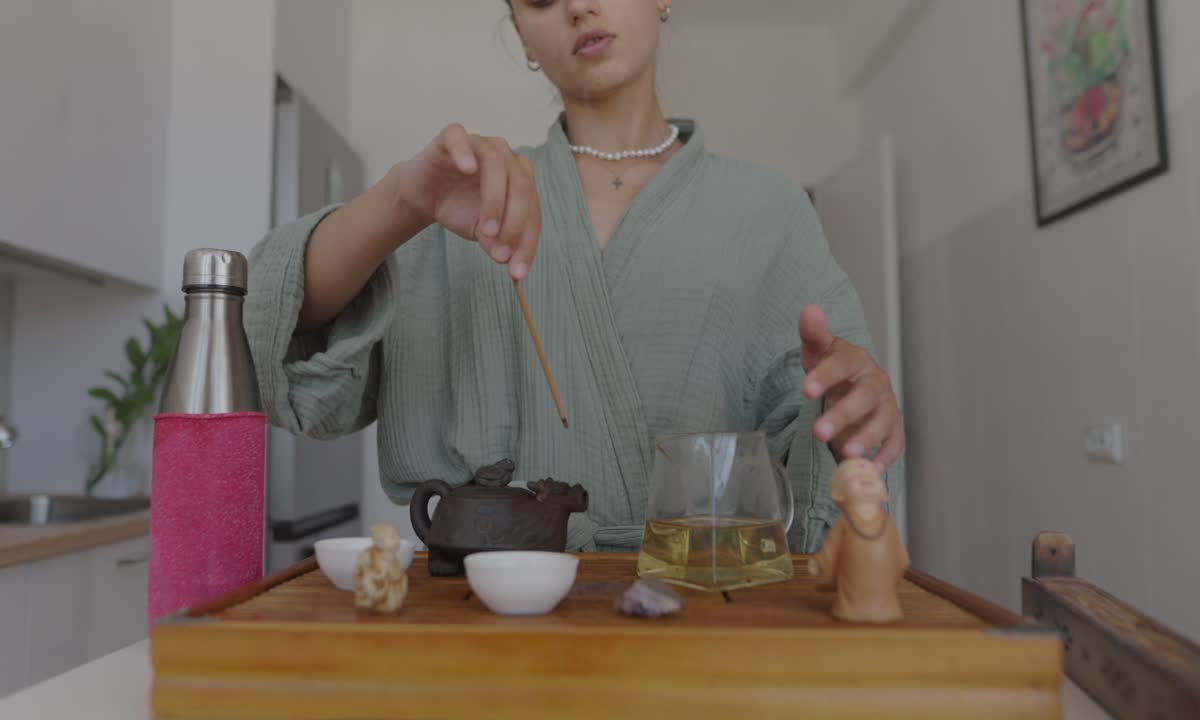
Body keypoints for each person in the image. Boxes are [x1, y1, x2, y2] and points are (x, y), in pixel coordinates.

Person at [244, 0, 905, 554]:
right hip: (483, 620)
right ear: (522, 33)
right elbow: (275, 339)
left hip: (704, 612)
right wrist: (401, 203)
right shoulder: (466, 202)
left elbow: (841, 434)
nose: (578, 5)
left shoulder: (770, 211)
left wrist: (855, 408)